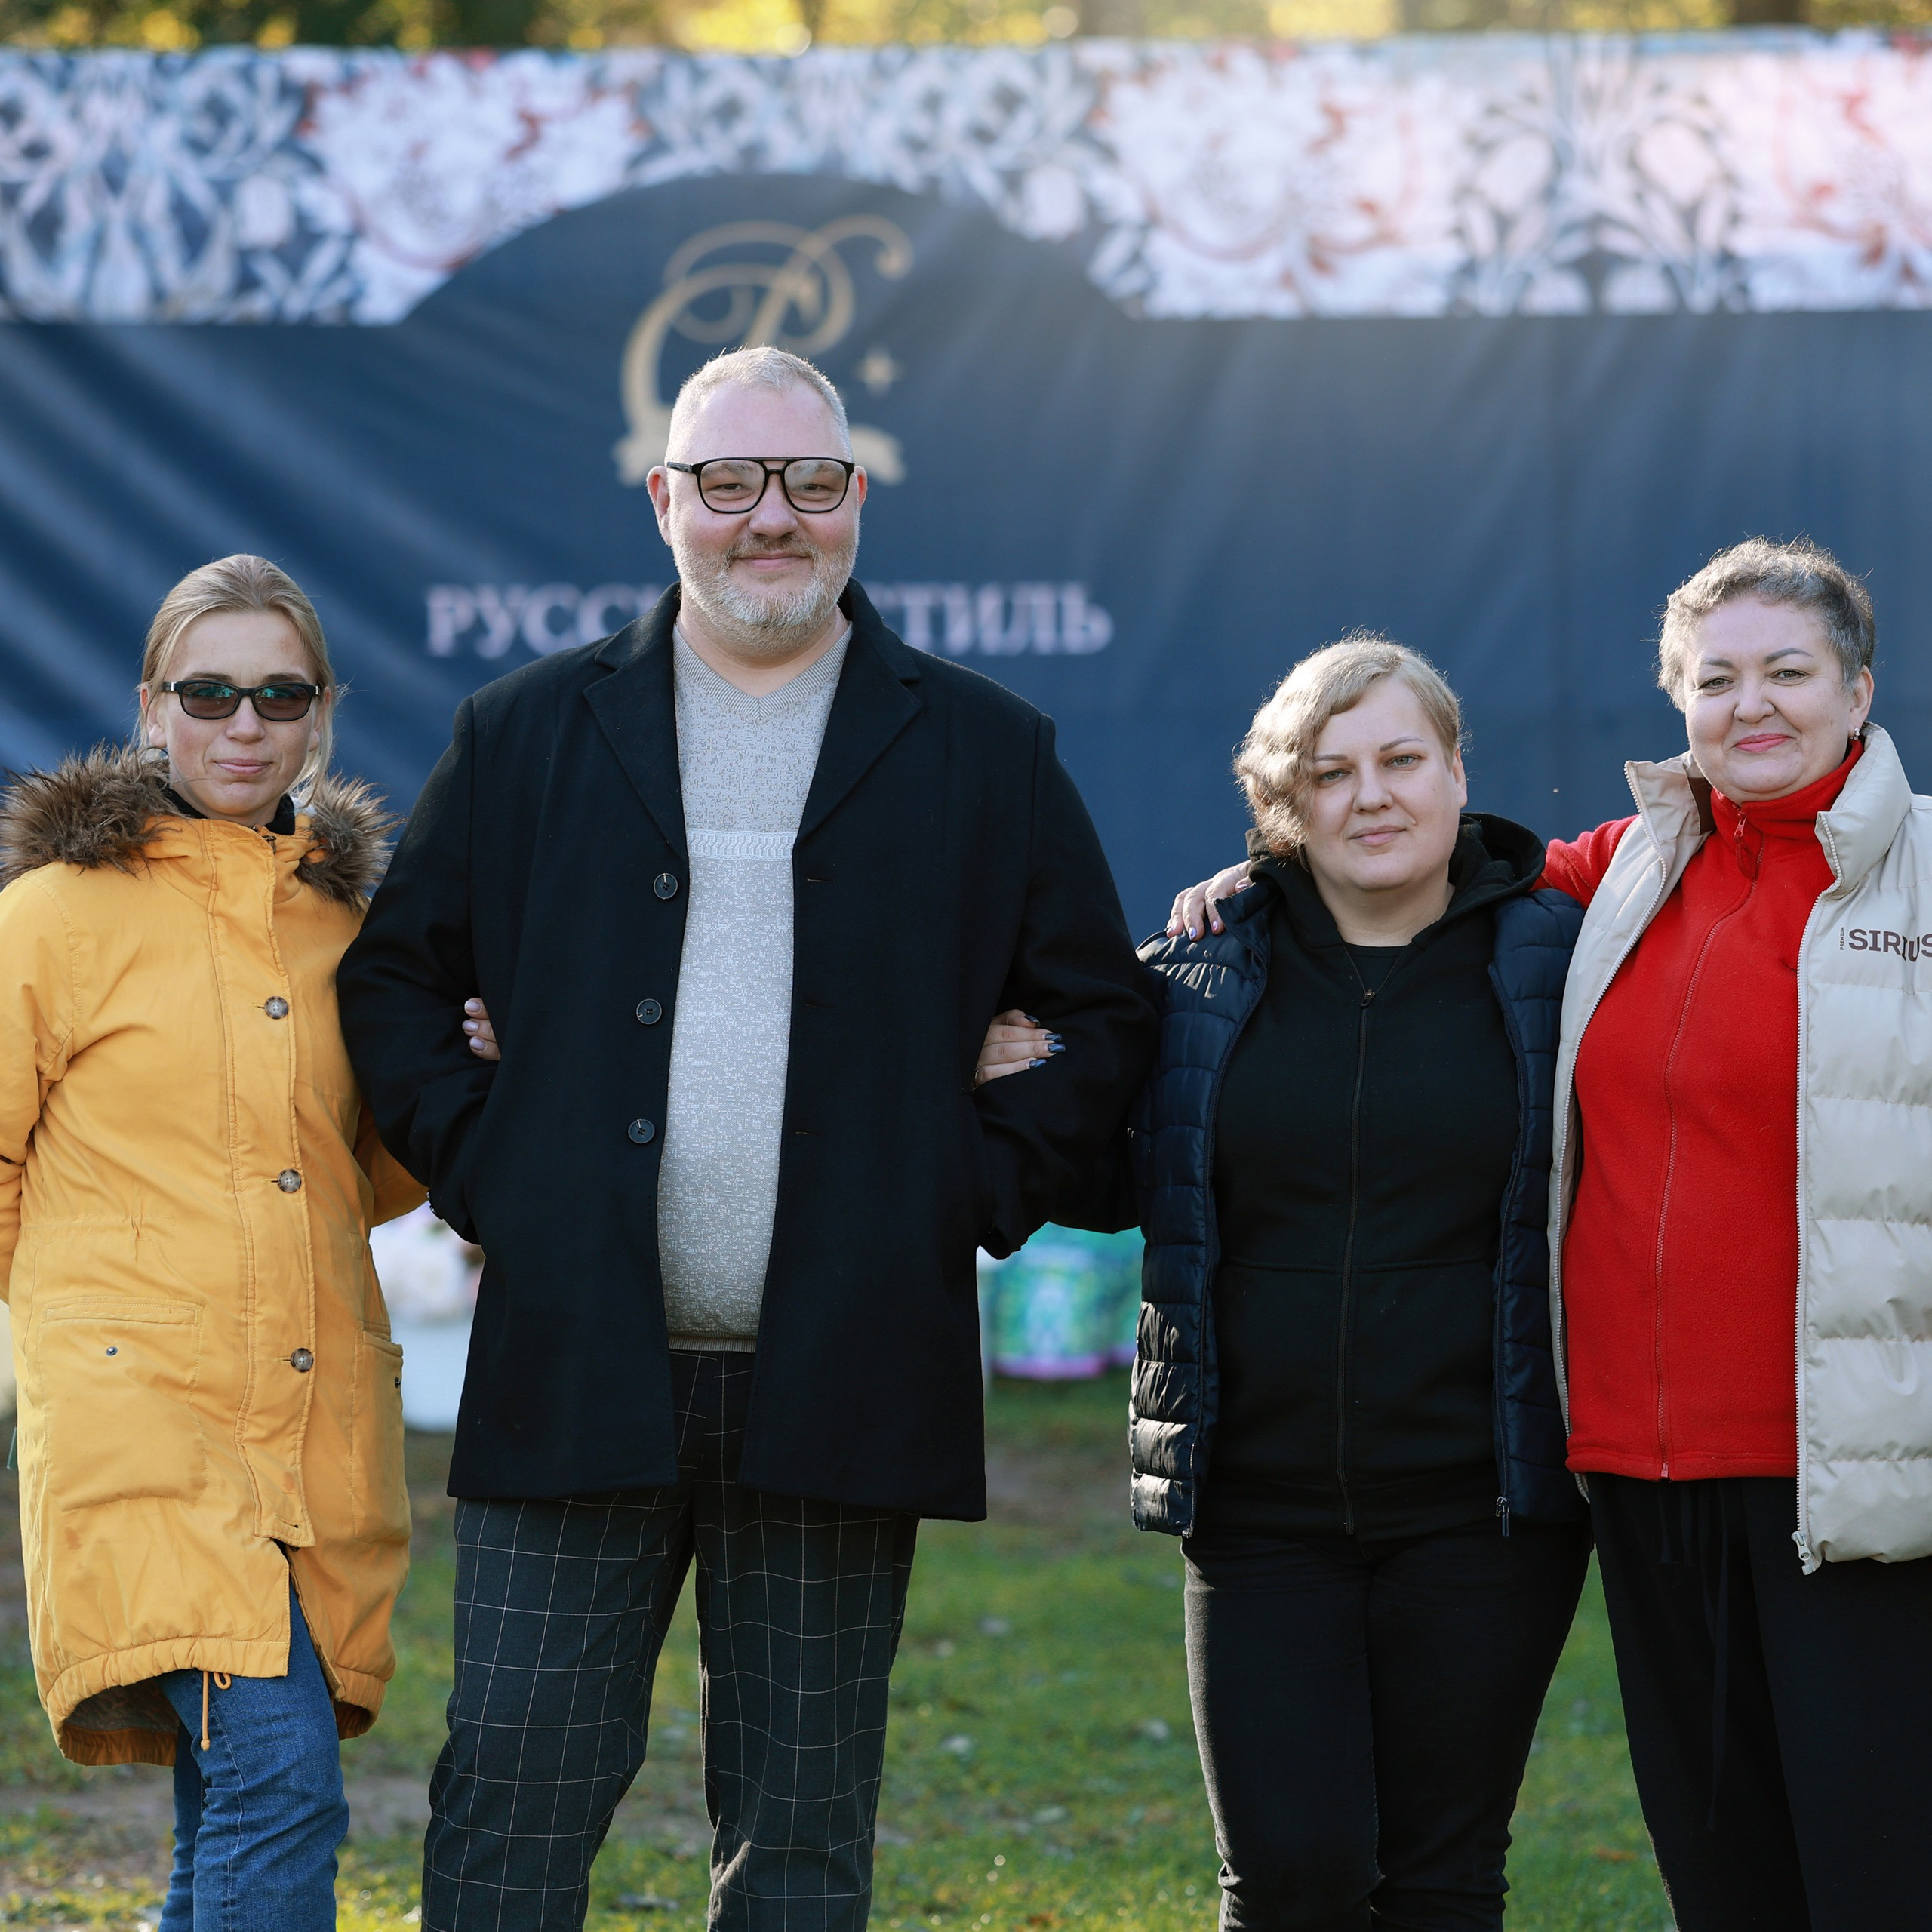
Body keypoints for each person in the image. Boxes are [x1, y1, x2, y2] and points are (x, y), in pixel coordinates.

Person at [334, 345, 1156, 1932]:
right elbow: (396, 986)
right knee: (507, 1803)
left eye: (808, 481)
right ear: (665, 502)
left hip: (843, 1376)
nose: (767, 516)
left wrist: (959, 1187)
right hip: (575, 1364)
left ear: (854, 499)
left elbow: (1099, 1021)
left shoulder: (987, 747)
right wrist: (499, 1164)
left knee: (796, 1842)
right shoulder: (524, 731)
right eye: (728, 481)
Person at [1171, 539, 1932, 1930]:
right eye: (1716, 680)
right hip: (1643, 1474)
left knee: (1880, 1879)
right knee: (1729, 1884)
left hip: (1862, 1481)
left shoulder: (1930, 877)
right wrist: (1245, 888)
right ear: (1677, 703)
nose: (1751, 706)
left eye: (1788, 672)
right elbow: (1403, 874)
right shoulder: (1616, 880)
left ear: (1860, 686)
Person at [1027, 635, 1592, 1931]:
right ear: (1283, 807)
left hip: (1485, 1504)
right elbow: (1108, 1177)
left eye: (1403, 759)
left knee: (1443, 1877)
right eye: (1329, 773)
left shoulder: (1566, 961)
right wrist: (1012, 1060)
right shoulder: (1201, 975)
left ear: (1458, 773)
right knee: (1287, 1878)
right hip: (1260, 1508)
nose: (1373, 796)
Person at [0, 555, 422, 1930]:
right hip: (143, 1420)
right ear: (151, 708)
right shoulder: (49, 922)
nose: (245, 725)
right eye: (211, 691)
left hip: (313, 1421)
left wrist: (456, 1053)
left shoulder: (355, 931)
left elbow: (366, 1182)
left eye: (279, 694)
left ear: (320, 717)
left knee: (229, 1807)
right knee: (279, 1782)